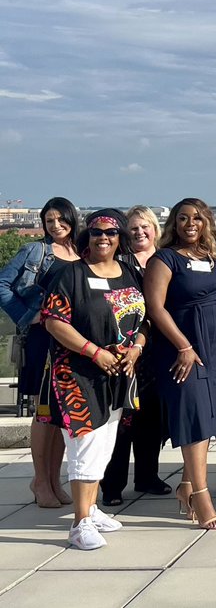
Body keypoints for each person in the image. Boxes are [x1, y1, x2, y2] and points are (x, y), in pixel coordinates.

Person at [41, 210, 148, 549]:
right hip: (78, 374)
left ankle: (91, 506)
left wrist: (138, 348)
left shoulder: (129, 272)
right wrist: (93, 351)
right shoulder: (70, 275)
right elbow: (54, 321)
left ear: (121, 239)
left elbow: (144, 319)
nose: (104, 238)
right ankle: (80, 522)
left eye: (112, 232)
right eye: (97, 232)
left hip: (119, 374)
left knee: (104, 444)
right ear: (88, 236)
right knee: (85, 445)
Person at [144, 198, 216, 530]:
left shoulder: (215, 258)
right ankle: (201, 493)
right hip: (182, 350)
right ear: (173, 224)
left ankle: (185, 485)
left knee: (208, 421)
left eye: (196, 217)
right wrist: (184, 345)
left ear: (207, 221)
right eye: (182, 218)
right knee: (194, 420)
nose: (190, 223)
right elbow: (155, 308)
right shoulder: (164, 259)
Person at [0, 197, 80, 509]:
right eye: (49, 221)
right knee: (44, 412)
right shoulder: (37, 251)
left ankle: (53, 477)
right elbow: (3, 284)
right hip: (42, 339)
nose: (56, 226)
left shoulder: (81, 251)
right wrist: (26, 315)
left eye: (62, 219)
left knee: (63, 414)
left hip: (71, 339)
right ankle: (40, 480)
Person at [100, 205, 170, 505]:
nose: (140, 232)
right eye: (134, 228)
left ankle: (147, 476)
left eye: (145, 227)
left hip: (159, 349)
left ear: (155, 229)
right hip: (127, 349)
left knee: (152, 419)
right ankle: (112, 485)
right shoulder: (121, 263)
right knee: (123, 422)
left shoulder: (165, 259)